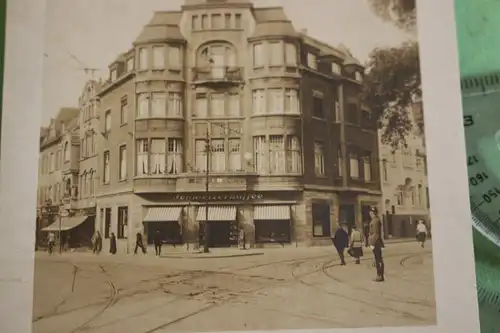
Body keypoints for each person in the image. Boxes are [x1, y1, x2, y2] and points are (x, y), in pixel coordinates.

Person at [368, 207, 385, 282]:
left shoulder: (375, 221)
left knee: (378, 259)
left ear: (372, 213)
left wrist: (372, 244)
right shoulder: (376, 220)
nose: (370, 213)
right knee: (378, 259)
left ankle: (379, 276)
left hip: (376, 242)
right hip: (377, 242)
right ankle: (380, 275)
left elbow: (375, 233)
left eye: (371, 212)